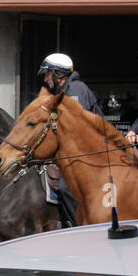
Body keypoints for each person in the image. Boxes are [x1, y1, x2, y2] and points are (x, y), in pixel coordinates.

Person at [38, 53, 100, 225]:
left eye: (48, 73)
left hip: (90, 151)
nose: (45, 78)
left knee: (67, 187)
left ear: (59, 73)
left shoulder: (75, 90)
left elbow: (76, 128)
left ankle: (80, 226)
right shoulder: (64, 91)